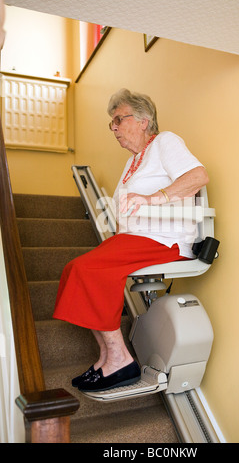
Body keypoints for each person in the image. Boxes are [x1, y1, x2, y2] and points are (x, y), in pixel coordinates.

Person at [53, 89, 209, 392]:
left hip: (165, 239)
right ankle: (106, 356)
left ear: (143, 120)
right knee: (76, 269)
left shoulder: (165, 142)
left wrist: (154, 198)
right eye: (111, 123)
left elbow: (198, 177)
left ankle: (120, 360)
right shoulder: (132, 163)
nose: (114, 128)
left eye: (118, 120)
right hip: (135, 238)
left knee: (88, 270)